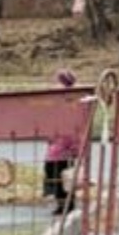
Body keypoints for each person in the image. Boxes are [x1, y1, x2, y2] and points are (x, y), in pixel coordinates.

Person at [43, 69, 81, 213]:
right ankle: (62, 201)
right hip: (59, 143)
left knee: (60, 174)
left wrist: (73, 147)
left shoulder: (68, 100)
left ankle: (65, 203)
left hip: (64, 145)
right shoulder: (60, 99)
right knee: (57, 172)